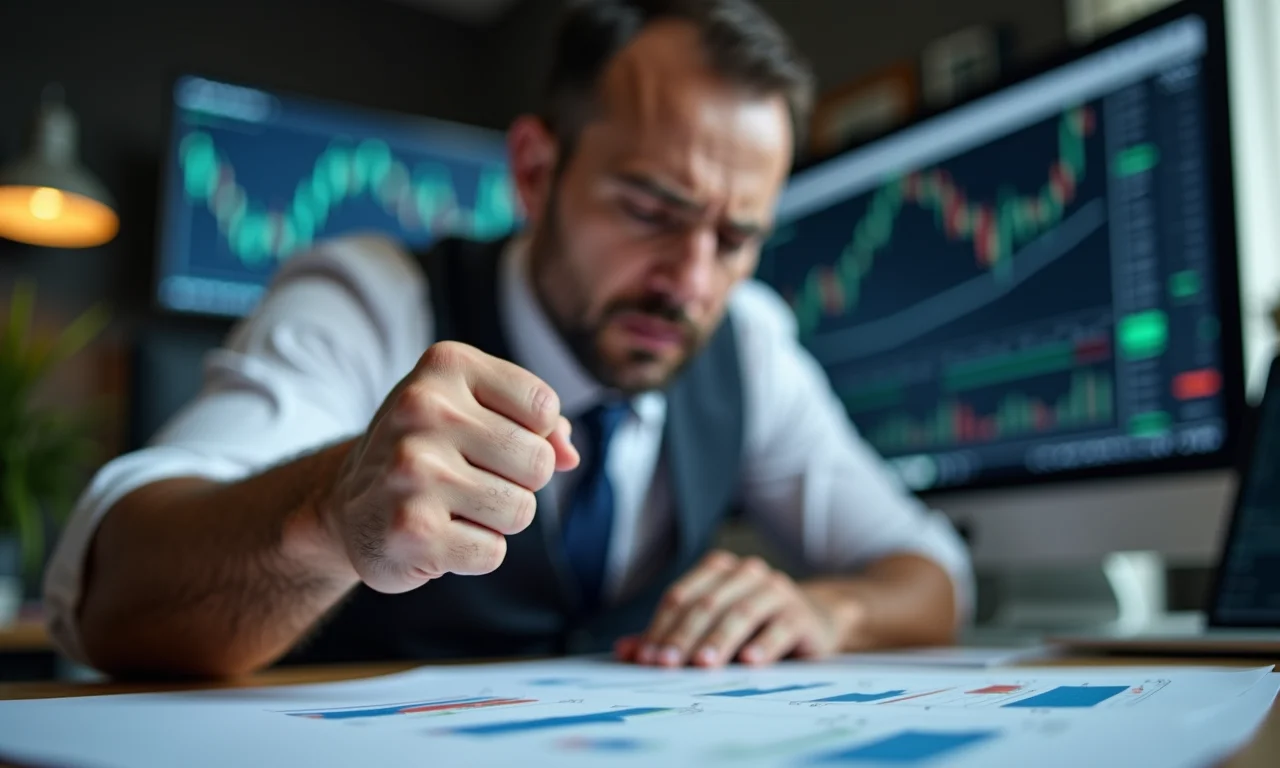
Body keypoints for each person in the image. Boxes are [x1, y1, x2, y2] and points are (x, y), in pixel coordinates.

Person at [45, 0, 973, 678]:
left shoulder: (750, 342)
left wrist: (828, 607)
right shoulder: (371, 298)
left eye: (736, 239)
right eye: (652, 210)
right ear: (535, 171)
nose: (693, 282)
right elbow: (111, 598)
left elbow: (933, 572)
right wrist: (329, 509)